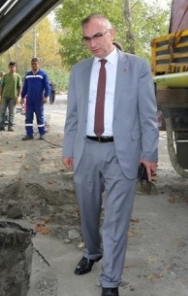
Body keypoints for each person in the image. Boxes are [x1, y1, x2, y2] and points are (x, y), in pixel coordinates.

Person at [61, 14, 158, 296]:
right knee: (88, 211)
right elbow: (73, 116)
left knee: (116, 219)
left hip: (122, 152)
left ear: (111, 33)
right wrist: (69, 148)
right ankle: (92, 252)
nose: (93, 44)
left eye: (98, 36)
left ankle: (110, 281)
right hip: (86, 150)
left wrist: (149, 154)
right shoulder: (79, 71)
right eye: (87, 39)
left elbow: (148, 116)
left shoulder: (137, 67)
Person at [20, 57, 50, 140]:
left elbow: (47, 86)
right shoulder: (27, 75)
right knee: (28, 117)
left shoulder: (43, 74)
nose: (34, 65)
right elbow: (25, 87)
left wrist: (46, 96)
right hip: (29, 100)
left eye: (35, 64)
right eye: (32, 64)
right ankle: (29, 134)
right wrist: (22, 97)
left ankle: (42, 133)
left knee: (40, 117)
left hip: (39, 100)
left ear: (38, 64)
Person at [0, 62, 22, 131]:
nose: (12, 68)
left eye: (14, 67)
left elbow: (19, 87)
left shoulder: (18, 76)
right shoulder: (5, 76)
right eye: (11, 67)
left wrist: (19, 96)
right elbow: (2, 86)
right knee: (2, 111)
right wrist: (0, 95)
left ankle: (10, 126)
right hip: (4, 96)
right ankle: (1, 126)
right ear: (9, 67)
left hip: (13, 97)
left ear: (15, 68)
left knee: (12, 112)